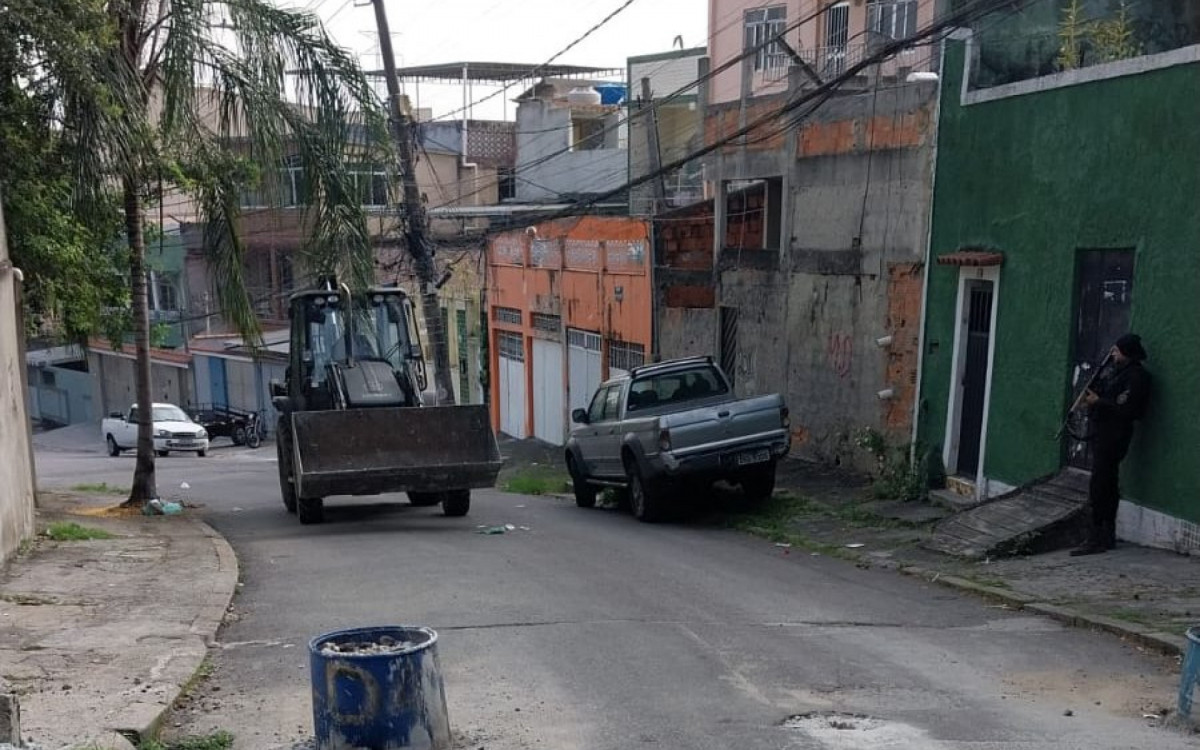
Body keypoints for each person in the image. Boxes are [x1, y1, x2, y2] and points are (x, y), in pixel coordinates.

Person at [1070, 333, 1150, 556]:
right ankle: (1105, 533)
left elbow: (1127, 409)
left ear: (1127, 352)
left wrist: (1099, 402)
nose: (1113, 354)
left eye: (1117, 351)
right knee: (1107, 484)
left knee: (1100, 485)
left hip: (1114, 436)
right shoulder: (1117, 372)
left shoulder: (1137, 377)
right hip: (1103, 432)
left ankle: (1097, 535)